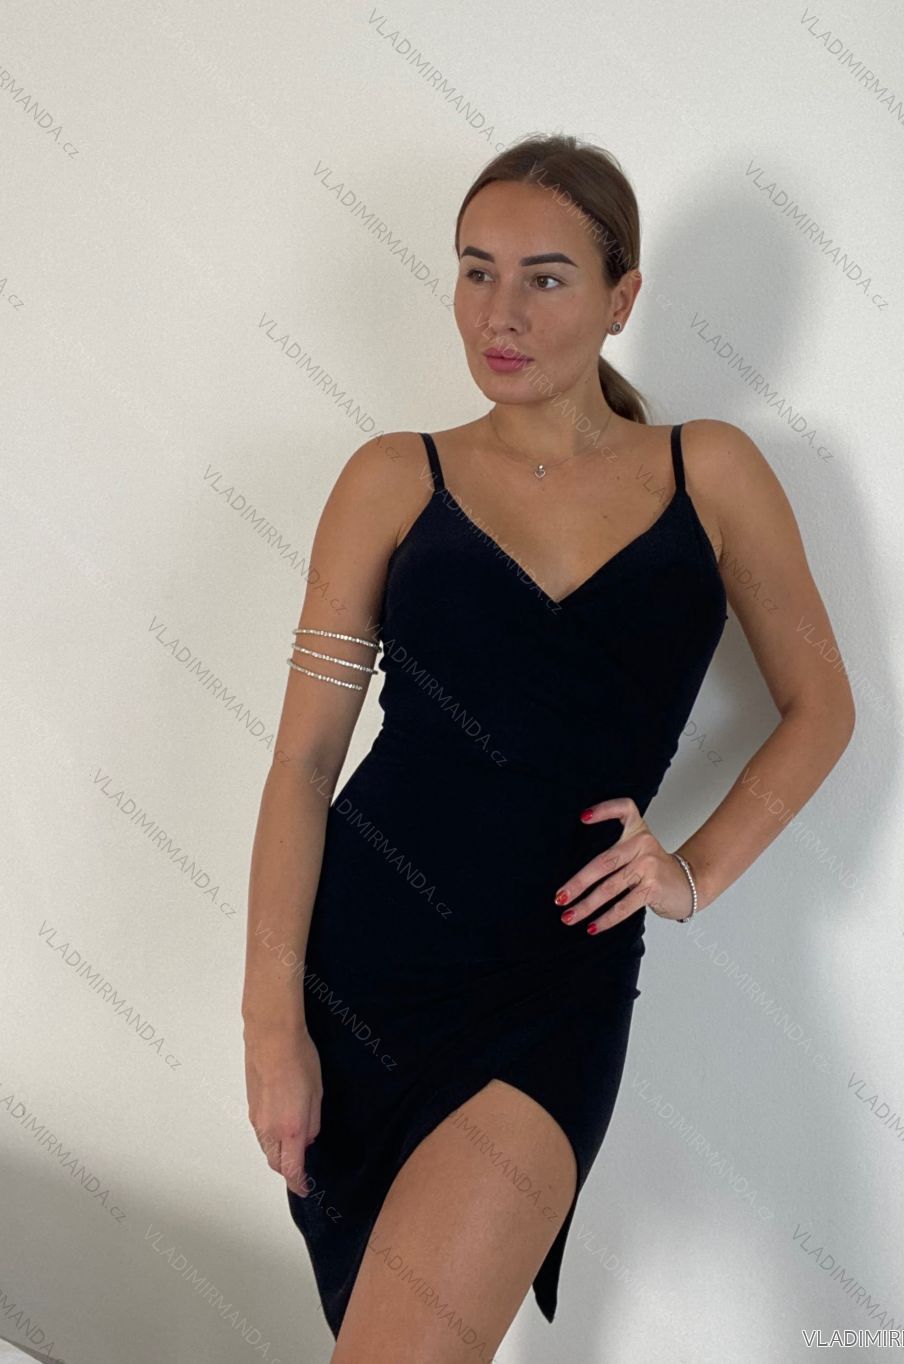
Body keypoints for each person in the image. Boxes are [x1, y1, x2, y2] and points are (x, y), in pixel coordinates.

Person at [242, 132, 856, 1361]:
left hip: (555, 985)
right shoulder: (391, 477)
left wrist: (692, 870)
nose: (500, 312)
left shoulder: (710, 473)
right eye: (476, 271)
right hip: (367, 968)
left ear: (622, 297)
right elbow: (304, 765)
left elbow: (822, 706)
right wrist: (270, 1025)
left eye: (545, 277)